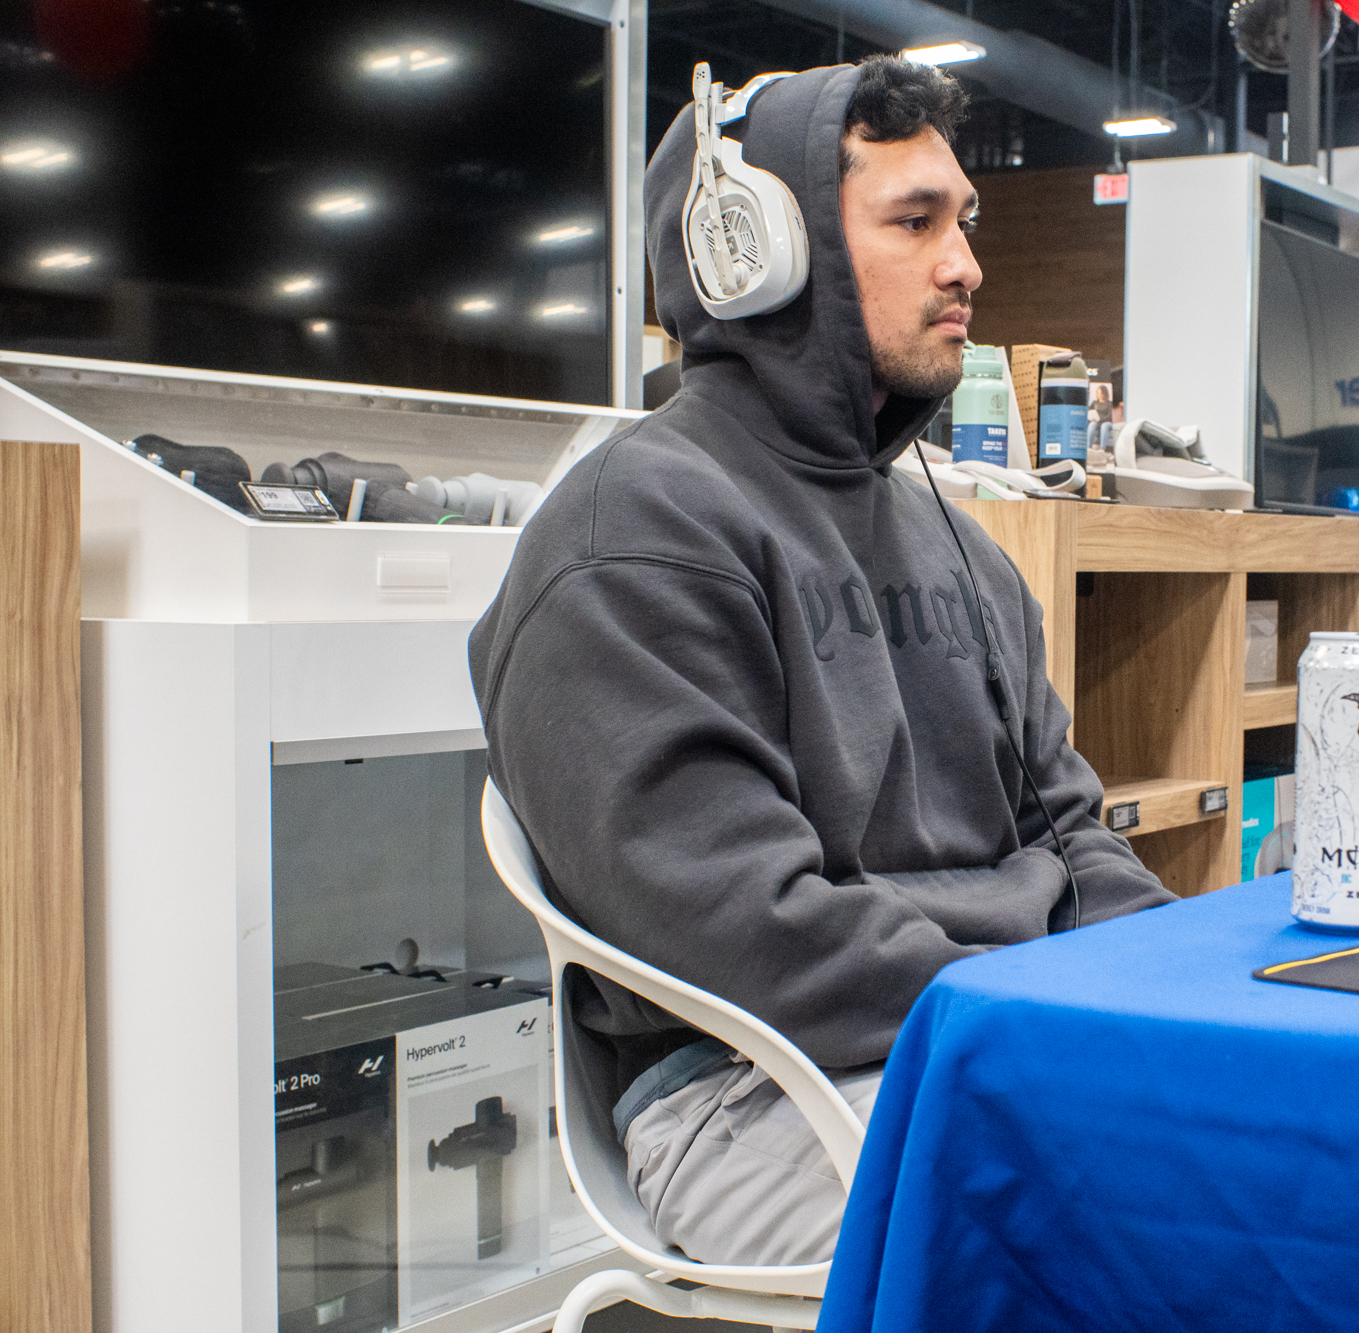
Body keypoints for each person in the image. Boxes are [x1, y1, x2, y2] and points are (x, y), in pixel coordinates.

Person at [468, 57, 1172, 1269]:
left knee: (1293, 1154)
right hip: (751, 1095)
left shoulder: (963, 549)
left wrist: (1191, 993)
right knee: (1181, 1234)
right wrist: (1039, 1013)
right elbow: (747, 932)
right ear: (751, 255)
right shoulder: (632, 538)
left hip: (985, 1039)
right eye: (914, 221)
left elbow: (1072, 838)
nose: (965, 265)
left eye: (963, 221)